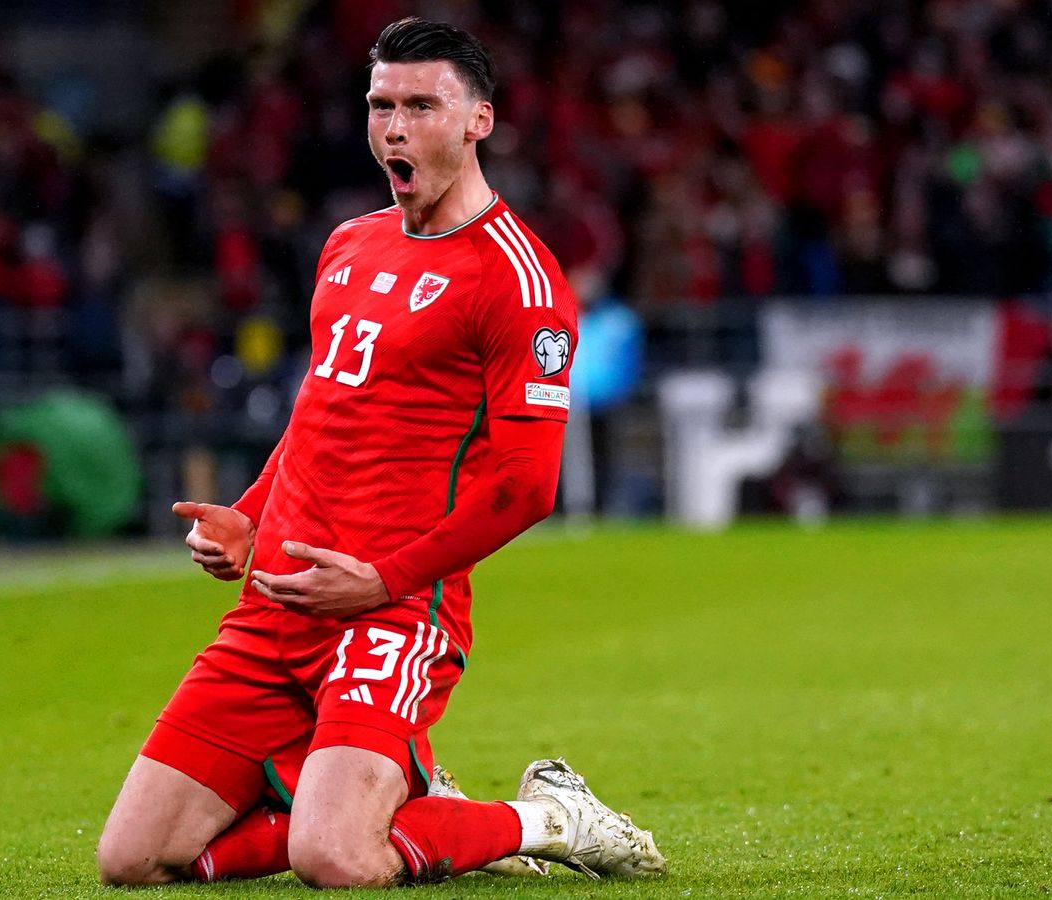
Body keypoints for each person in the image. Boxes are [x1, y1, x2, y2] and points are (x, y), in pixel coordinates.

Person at [97, 18, 666, 888]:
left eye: (421, 106)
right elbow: (322, 412)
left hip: (392, 615)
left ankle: (546, 816)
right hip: (276, 604)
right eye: (379, 106)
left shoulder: (518, 278)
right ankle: (400, 792)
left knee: (335, 859)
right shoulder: (348, 245)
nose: (394, 128)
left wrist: (384, 581)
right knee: (133, 859)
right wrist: (251, 514)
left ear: (479, 119)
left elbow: (527, 486)